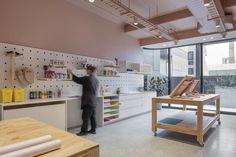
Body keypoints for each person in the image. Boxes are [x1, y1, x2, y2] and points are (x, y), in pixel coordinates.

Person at [68, 65, 99, 136]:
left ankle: (84, 131)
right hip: (94, 100)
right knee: (92, 116)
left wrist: (71, 73)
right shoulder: (96, 80)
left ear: (89, 71)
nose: (86, 71)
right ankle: (93, 130)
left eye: (87, 70)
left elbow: (77, 80)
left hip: (88, 101)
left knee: (85, 117)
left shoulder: (87, 78)